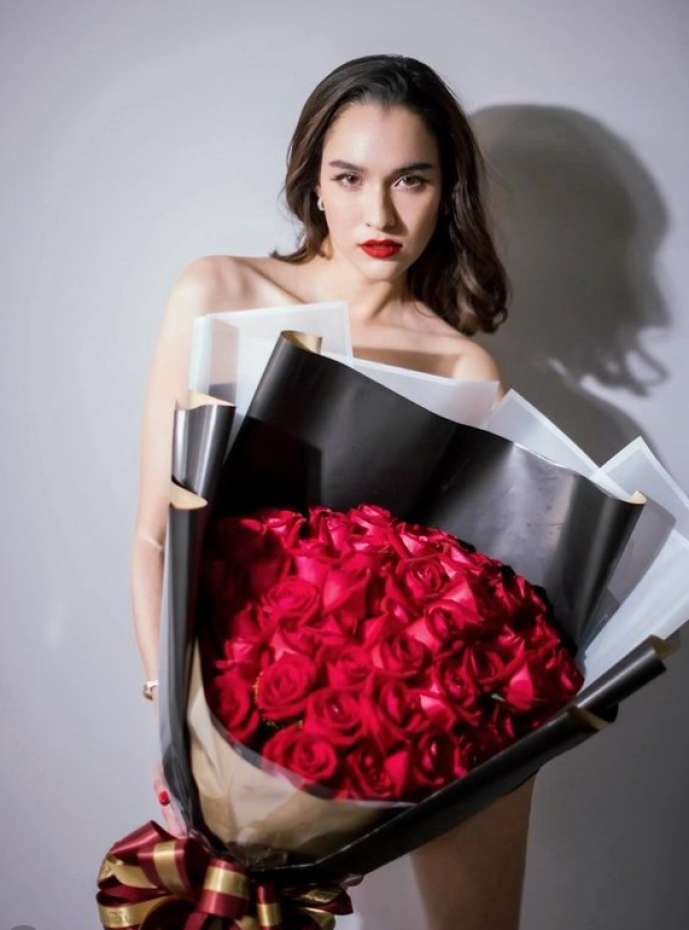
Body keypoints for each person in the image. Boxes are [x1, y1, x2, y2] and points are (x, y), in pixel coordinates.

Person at [131, 54, 535, 930]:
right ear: (313, 183)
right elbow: (157, 535)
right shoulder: (220, 292)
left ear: (447, 192)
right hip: (229, 710)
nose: (379, 216)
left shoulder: (464, 369)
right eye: (350, 178)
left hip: (396, 719)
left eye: (411, 181)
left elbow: (444, 594)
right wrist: (177, 719)